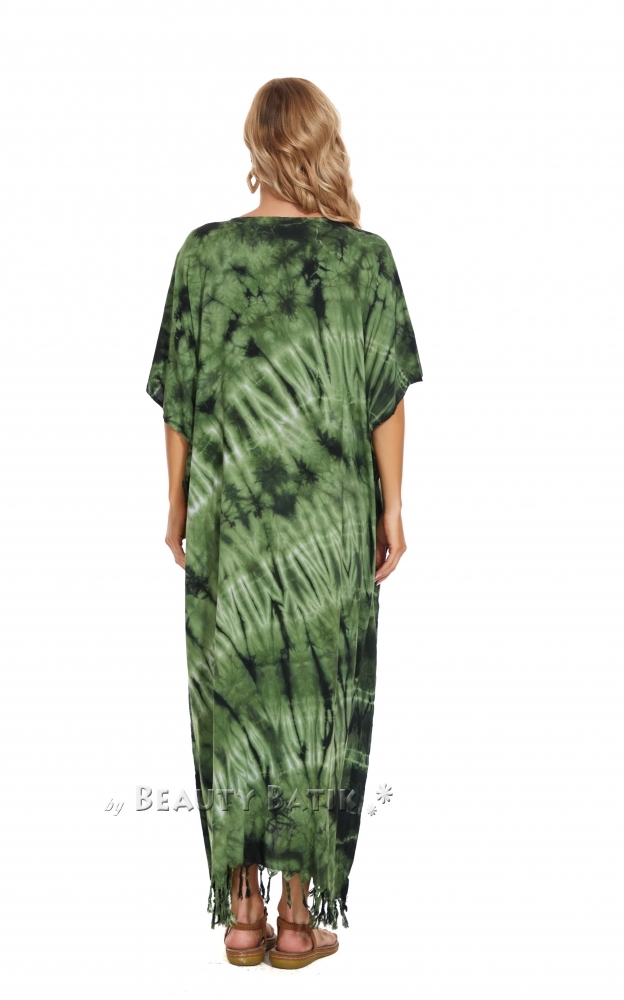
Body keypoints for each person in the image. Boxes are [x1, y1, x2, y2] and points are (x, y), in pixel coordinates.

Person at [145, 77, 423, 970]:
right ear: (321, 143)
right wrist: (391, 505)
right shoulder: (363, 260)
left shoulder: (205, 255)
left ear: (255, 147)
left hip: (230, 523)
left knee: (231, 697)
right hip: (328, 527)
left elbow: (179, 398)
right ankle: (298, 919)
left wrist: (177, 500)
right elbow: (384, 398)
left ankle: (241, 914)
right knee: (315, 700)